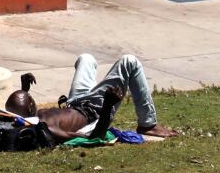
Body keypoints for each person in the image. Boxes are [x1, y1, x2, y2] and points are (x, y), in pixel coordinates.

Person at [13, 54, 176, 140]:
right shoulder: (46, 127)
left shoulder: (25, 118)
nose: (29, 96)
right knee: (129, 62)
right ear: (29, 107)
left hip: (75, 101)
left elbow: (17, 110)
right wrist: (108, 104)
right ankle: (148, 124)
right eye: (28, 98)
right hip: (96, 109)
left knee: (85, 58)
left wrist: (24, 90)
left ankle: (148, 123)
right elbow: (94, 136)